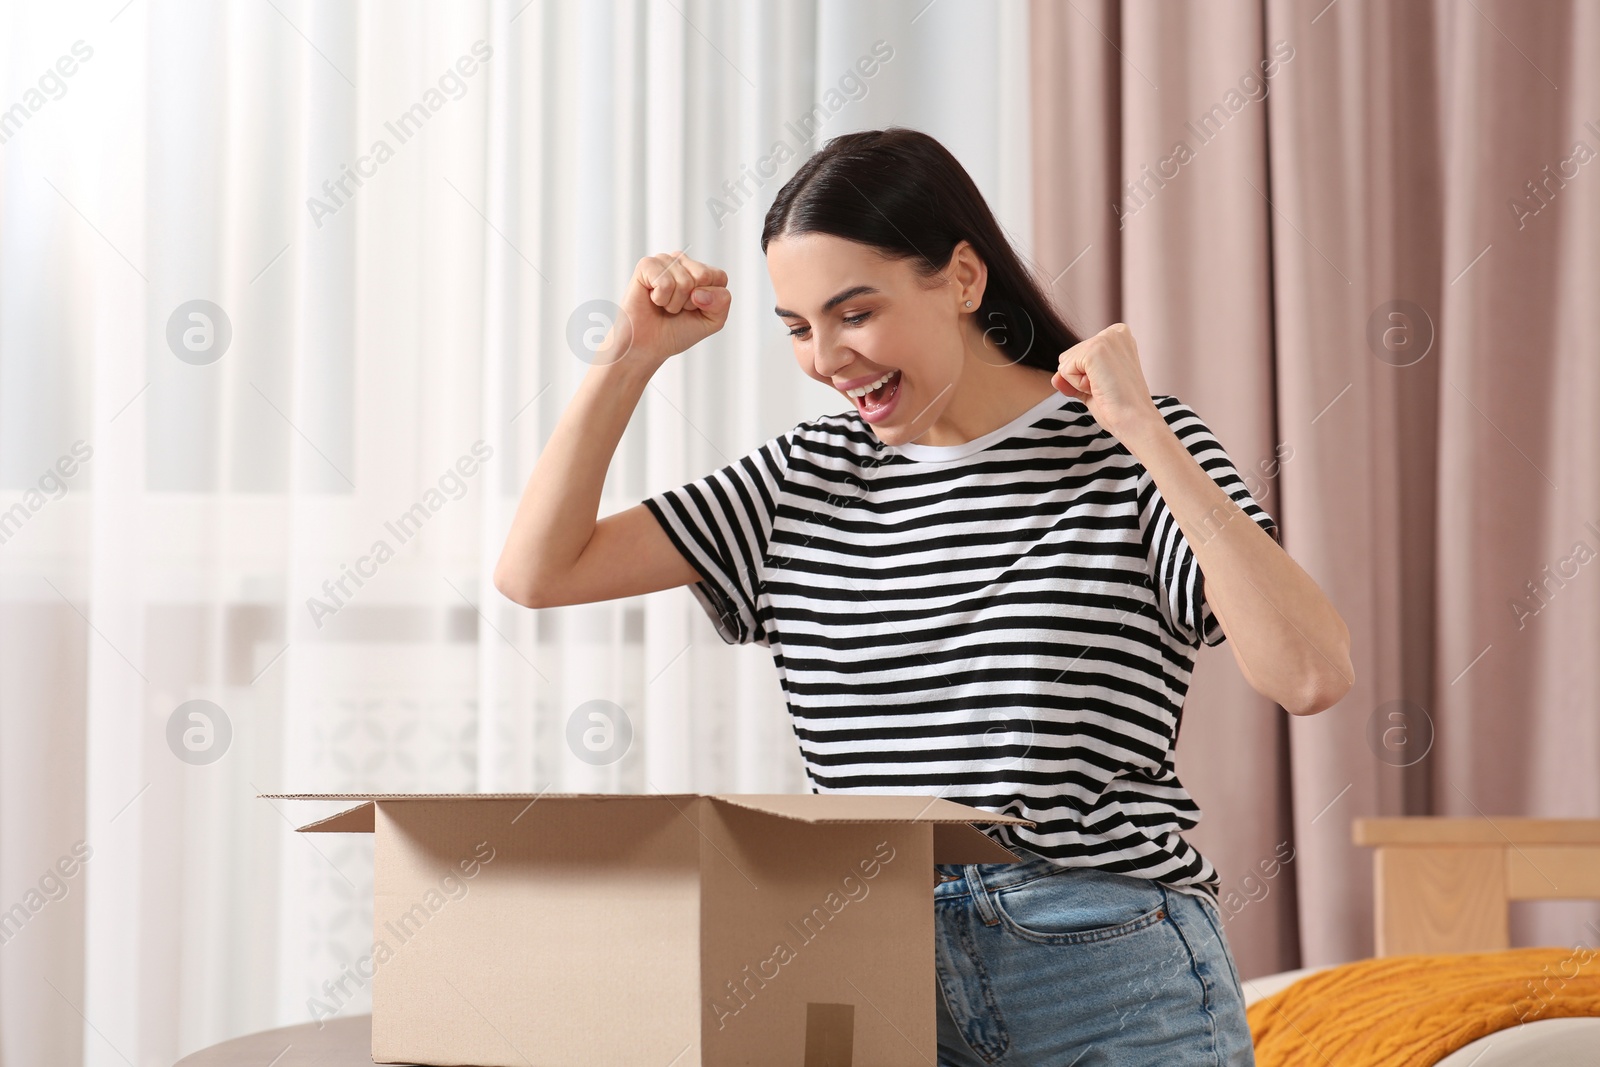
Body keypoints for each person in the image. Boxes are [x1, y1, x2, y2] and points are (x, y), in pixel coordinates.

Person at [495, 126, 1353, 1066]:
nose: (824, 359)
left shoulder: (1129, 450)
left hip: (1104, 962)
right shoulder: (800, 481)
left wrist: (1146, 433)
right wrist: (631, 355)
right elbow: (540, 572)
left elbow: (1309, 672)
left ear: (963, 280)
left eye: (853, 314)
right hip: (872, 955)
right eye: (796, 327)